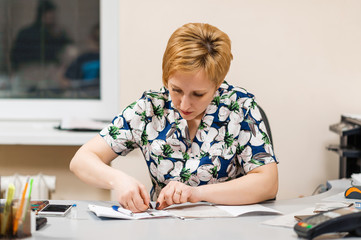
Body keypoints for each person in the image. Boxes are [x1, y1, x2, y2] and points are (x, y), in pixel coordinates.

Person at [70, 23, 278, 213]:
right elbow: (81, 160)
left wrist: (196, 194)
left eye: (198, 94)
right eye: (176, 90)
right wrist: (119, 180)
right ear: (166, 78)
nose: (185, 105)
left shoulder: (240, 107)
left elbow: (267, 183)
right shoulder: (150, 109)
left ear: (217, 84)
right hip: (163, 229)